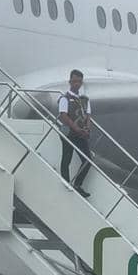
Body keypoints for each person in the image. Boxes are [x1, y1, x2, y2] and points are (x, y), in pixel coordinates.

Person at [57, 69, 92, 198]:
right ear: (70, 82)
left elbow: (88, 116)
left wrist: (87, 128)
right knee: (67, 158)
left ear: (81, 83)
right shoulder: (64, 98)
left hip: (80, 134)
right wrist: (76, 128)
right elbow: (63, 116)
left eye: (79, 81)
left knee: (87, 160)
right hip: (69, 133)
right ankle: (66, 182)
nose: (77, 84)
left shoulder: (85, 100)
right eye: (74, 81)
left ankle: (77, 184)